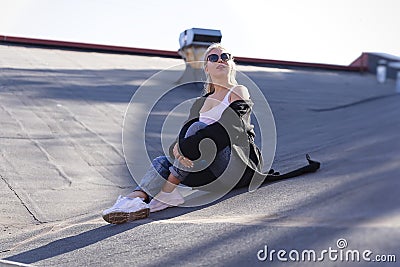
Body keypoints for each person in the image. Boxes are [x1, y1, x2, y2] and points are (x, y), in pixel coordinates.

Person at [102, 43, 264, 224]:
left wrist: (186, 145)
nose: (220, 60)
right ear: (206, 67)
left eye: (225, 57)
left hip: (237, 166)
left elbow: (229, 129)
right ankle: (134, 200)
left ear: (231, 63)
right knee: (161, 161)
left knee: (197, 131)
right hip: (212, 174)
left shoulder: (238, 91)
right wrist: (177, 150)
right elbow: (183, 135)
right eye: (213, 57)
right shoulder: (201, 102)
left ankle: (168, 192)